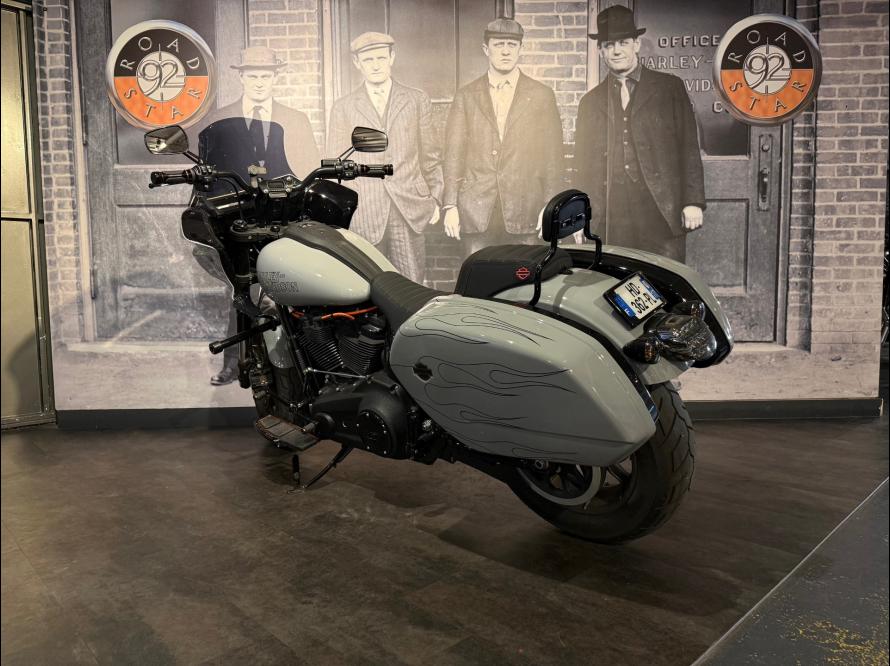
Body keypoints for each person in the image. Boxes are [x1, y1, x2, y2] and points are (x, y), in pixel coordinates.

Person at [196, 46, 320, 386]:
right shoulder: (220, 119)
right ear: (241, 77)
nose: (260, 82)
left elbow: (309, 166)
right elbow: (206, 171)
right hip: (235, 215)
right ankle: (235, 362)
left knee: (285, 285)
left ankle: (290, 362)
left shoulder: (295, 119)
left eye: (266, 75)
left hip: (282, 215)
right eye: (253, 76)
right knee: (239, 287)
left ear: (276, 77)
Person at [573, 6, 705, 262]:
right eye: (609, 45)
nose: (616, 50)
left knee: (664, 276)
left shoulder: (669, 88)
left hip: (660, 208)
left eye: (623, 42)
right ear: (600, 51)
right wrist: (578, 213)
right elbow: (582, 164)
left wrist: (693, 201)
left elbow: (688, 147)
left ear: (637, 44)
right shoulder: (590, 102)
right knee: (613, 275)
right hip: (611, 213)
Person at [439, 18, 564, 258]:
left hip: (525, 208)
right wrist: (451, 205)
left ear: (521, 49)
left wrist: (550, 205)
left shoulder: (541, 95)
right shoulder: (466, 96)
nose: (505, 51)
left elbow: (553, 157)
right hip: (476, 210)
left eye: (512, 44)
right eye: (498, 44)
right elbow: (454, 154)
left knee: (525, 275)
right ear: (486, 49)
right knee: (478, 275)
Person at [326, 32, 442, 284]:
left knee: (411, 285)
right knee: (367, 284)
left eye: (381, 58)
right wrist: (346, 211)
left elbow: (431, 156)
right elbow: (337, 166)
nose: (376, 65)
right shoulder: (343, 107)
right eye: (368, 60)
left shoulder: (416, 100)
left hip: (408, 208)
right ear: (357, 63)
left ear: (392, 58)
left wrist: (435, 198)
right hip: (364, 211)